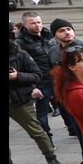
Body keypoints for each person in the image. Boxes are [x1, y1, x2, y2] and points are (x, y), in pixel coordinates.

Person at [46, 19, 83, 164]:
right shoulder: (53, 52)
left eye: (69, 29)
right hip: (67, 96)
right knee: (78, 130)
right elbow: (52, 74)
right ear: (55, 35)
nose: (67, 32)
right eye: (62, 30)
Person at [9, 37, 62, 164]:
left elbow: (36, 75)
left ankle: (51, 157)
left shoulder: (19, 54)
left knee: (36, 131)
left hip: (18, 100)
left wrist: (18, 76)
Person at [15, 12, 61, 143]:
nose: (38, 25)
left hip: (57, 78)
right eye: (33, 23)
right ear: (25, 24)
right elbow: (21, 66)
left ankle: (72, 129)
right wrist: (33, 87)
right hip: (39, 82)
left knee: (65, 107)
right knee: (42, 113)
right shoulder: (20, 43)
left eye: (39, 22)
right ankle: (48, 140)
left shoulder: (49, 36)